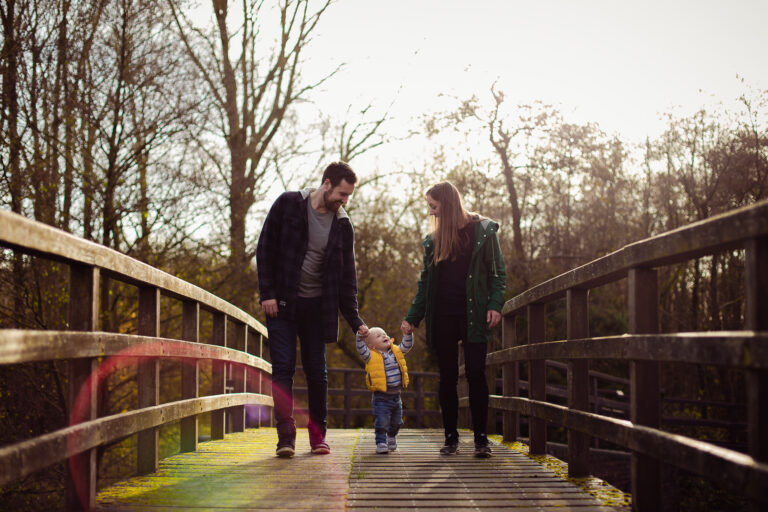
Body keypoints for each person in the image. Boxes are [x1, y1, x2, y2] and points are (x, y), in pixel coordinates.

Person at [256, 161, 367, 458]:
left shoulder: (343, 225)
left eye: (348, 197)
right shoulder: (289, 203)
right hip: (281, 304)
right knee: (283, 368)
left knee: (318, 372)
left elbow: (347, 279)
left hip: (317, 308)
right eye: (342, 194)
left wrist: (355, 320)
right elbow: (265, 247)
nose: (344, 201)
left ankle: (318, 436)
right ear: (327, 183)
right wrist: (267, 293)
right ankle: (285, 436)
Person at [401, 181, 506, 458]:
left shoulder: (484, 231)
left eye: (433, 207)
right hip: (443, 315)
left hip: (473, 315)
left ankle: (481, 440)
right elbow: (425, 285)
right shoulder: (433, 241)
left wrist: (495, 304)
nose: (431, 213)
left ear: (446, 205)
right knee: (447, 377)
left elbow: (498, 274)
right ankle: (451, 438)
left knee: (476, 374)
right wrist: (413, 317)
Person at [355, 326, 414, 454]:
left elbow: (406, 345)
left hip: (396, 396)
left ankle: (391, 436)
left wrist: (408, 334)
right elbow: (360, 349)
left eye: (384, 334)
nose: (384, 336)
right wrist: (360, 337)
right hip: (381, 397)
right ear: (372, 346)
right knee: (382, 421)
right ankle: (381, 442)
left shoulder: (396, 351)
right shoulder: (370, 355)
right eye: (379, 336)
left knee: (397, 421)